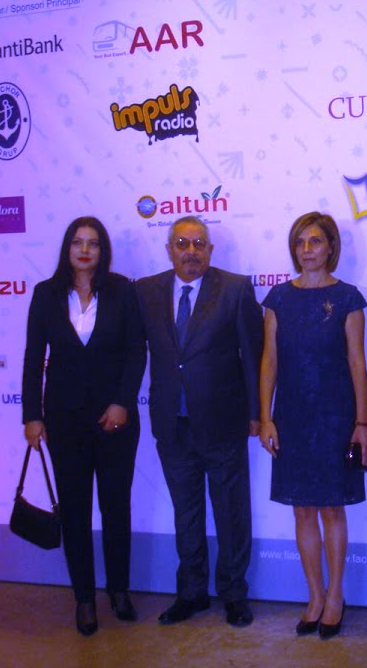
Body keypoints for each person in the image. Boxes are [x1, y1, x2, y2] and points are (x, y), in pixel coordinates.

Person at [135, 216, 263, 628]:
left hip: (224, 423)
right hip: (171, 424)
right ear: (169, 250)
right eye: (182, 243)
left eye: (199, 244)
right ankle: (191, 593)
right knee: (186, 513)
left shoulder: (235, 288)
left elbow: (253, 356)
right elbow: (136, 353)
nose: (190, 251)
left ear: (210, 250)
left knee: (231, 512)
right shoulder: (146, 291)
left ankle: (234, 593)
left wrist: (257, 414)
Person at [22, 216, 146, 637]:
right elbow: (32, 357)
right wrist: (32, 415)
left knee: (116, 507)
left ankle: (119, 590)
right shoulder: (45, 294)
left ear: (102, 250)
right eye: (78, 242)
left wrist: (122, 403)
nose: (85, 250)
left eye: (93, 243)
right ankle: (84, 598)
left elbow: (137, 352)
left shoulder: (123, 290)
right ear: (68, 248)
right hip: (64, 421)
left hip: (116, 421)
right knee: (75, 511)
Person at [258, 212, 367, 639]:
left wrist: (362, 422)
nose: (307, 249)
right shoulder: (278, 298)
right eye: (300, 242)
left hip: (335, 417)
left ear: (331, 248)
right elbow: (269, 361)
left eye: (316, 241)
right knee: (302, 509)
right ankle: (314, 596)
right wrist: (266, 417)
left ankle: (336, 596)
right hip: (291, 417)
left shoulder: (348, 298)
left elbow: (357, 362)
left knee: (331, 508)